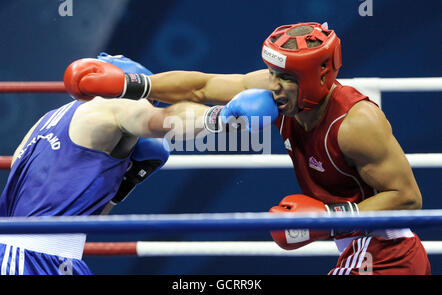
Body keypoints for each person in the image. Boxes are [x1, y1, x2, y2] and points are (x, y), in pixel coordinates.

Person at [125, 22, 430, 275]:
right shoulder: (275, 95)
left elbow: (407, 198)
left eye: (286, 76)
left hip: (389, 254)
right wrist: (130, 85)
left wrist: (327, 219)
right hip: (358, 251)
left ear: (320, 75)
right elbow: (202, 86)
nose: (273, 84)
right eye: (271, 72)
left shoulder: (356, 123)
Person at [0, 56, 278, 275]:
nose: (149, 104)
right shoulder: (117, 105)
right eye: (149, 99)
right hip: (29, 258)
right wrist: (221, 117)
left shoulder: (47, 120)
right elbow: (163, 122)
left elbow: (63, 206)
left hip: (27, 254)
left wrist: (123, 184)